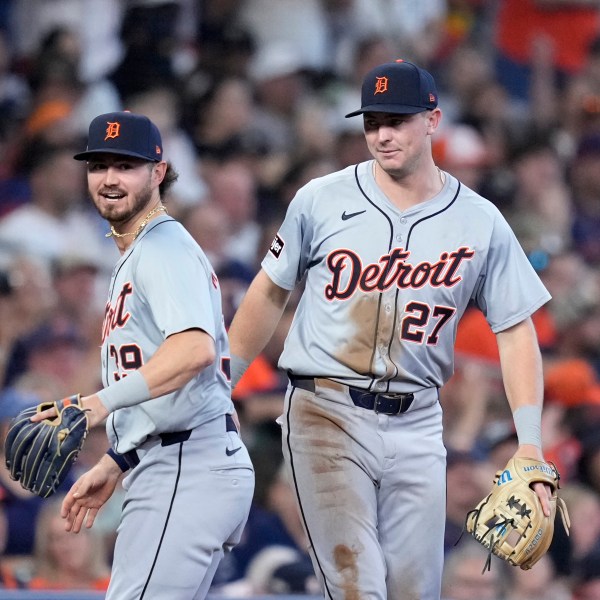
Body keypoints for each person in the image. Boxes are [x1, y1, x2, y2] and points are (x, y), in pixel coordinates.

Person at [228, 59, 555, 599]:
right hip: (324, 409)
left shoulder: (479, 219)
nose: (382, 134)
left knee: (413, 591)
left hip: (419, 421)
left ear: (433, 120)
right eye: (373, 121)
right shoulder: (321, 198)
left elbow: (516, 331)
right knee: (358, 586)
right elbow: (268, 290)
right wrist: (225, 385)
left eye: (397, 120)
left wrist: (531, 443)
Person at [32, 110, 254, 600]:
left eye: (126, 165)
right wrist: (118, 459)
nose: (110, 178)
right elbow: (172, 380)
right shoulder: (139, 252)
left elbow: (194, 350)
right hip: (173, 459)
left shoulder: (162, 248)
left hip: (185, 467)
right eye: (99, 166)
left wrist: (98, 403)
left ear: (158, 173)